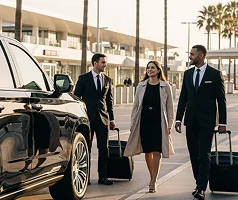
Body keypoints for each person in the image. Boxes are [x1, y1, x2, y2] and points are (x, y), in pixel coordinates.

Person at [175, 45, 227, 200]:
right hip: (190, 120)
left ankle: (201, 187)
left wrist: (223, 122)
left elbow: (221, 100)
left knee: (204, 153)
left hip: (207, 121)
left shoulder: (215, 74)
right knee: (193, 154)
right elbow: (183, 97)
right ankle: (199, 182)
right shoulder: (188, 73)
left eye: (192, 54)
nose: (190, 56)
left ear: (202, 55)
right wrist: (178, 118)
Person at [124, 60, 175, 193]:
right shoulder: (141, 86)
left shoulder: (165, 86)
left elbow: (170, 108)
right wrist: (132, 124)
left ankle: (153, 181)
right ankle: (153, 176)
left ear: (158, 70)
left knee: (157, 151)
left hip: (159, 123)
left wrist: (170, 125)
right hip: (144, 122)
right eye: (148, 68)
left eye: (152, 68)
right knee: (148, 151)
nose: (150, 70)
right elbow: (135, 107)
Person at [73, 53, 116, 185]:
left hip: (103, 119)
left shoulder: (107, 79)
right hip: (87, 119)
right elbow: (77, 98)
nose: (105, 65)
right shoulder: (83, 78)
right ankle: (86, 178)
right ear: (95, 63)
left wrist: (112, 119)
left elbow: (109, 101)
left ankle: (103, 177)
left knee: (104, 149)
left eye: (105, 62)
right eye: (103, 62)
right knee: (87, 148)